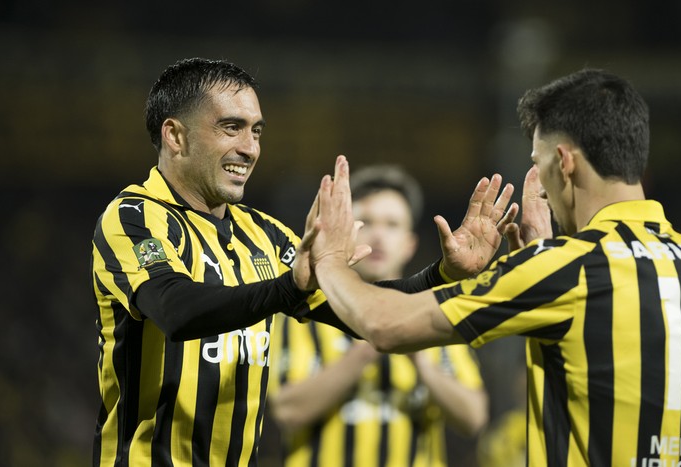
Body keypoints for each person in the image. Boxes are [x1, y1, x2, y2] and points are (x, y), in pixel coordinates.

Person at [90, 57, 518, 466]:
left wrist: (442, 275)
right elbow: (175, 310)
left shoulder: (266, 236)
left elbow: (358, 308)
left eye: (256, 131)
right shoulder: (133, 216)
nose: (249, 148)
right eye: (230, 128)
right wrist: (288, 288)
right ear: (175, 135)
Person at [305, 69, 681, 466]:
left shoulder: (564, 269)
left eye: (537, 162)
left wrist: (330, 260)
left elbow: (384, 325)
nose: (540, 186)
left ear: (563, 162)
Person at [267, 165, 488, 466]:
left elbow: (473, 418)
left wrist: (419, 356)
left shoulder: (437, 312)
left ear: (410, 244)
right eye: (366, 222)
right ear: (344, 234)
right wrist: (375, 338)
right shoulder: (304, 315)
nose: (379, 235)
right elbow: (287, 412)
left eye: (392, 224)